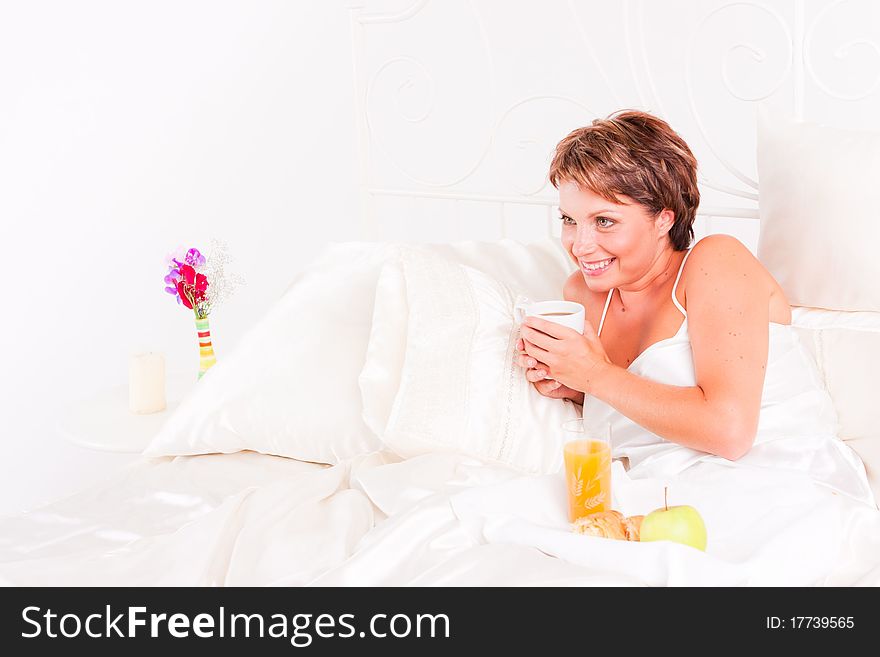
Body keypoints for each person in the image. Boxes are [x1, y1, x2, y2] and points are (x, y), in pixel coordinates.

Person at [516, 110, 873, 504]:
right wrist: (576, 386)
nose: (579, 245)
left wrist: (595, 376)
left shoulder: (715, 262)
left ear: (663, 219)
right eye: (569, 219)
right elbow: (640, 400)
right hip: (662, 493)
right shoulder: (582, 296)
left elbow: (730, 431)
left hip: (778, 483)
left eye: (604, 221)